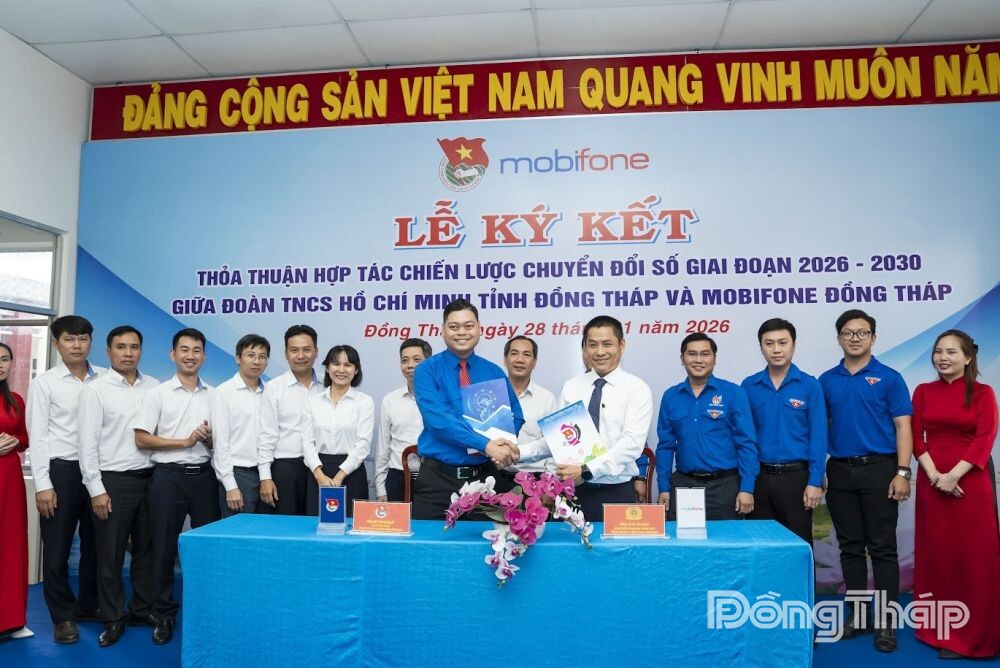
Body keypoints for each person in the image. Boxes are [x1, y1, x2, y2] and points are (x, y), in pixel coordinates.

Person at [819, 309, 912, 653]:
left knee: (883, 548)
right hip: (840, 470)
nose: (855, 338)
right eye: (848, 333)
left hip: (880, 470)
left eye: (862, 332)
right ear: (839, 338)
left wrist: (902, 472)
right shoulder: (826, 380)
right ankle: (858, 617)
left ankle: (886, 622)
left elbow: (904, 427)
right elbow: (819, 429)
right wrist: (818, 470)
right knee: (850, 547)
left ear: (873, 337)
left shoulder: (890, 378)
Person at [911, 330, 999, 659]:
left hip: (970, 483)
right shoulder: (923, 391)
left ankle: (973, 632)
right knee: (937, 553)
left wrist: (953, 476)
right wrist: (935, 475)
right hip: (932, 481)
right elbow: (916, 438)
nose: (943, 357)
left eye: (951, 352)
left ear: (968, 357)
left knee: (973, 556)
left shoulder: (983, 393)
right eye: (938, 351)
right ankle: (937, 627)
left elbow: (985, 438)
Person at [521, 316, 652, 522]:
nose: (599, 352)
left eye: (607, 344)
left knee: (613, 545)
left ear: (621, 345)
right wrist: (518, 452)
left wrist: (586, 470)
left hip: (615, 493)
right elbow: (556, 441)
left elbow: (632, 444)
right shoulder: (571, 387)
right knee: (565, 544)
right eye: (592, 345)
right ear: (584, 348)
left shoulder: (636, 389)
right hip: (571, 492)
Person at [134, 328, 218, 645]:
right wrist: (184, 441)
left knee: (206, 547)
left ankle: (206, 611)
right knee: (164, 548)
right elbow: (142, 439)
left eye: (196, 350)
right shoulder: (158, 393)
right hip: (168, 477)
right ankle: (163, 614)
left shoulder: (215, 395)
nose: (190, 355)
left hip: (205, 477)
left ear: (204, 356)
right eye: (184, 349)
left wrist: (207, 439)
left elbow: (220, 442)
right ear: (173, 354)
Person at [77, 326, 159, 647]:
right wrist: (96, 489)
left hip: (151, 479)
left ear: (141, 351)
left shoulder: (154, 386)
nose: (128, 353)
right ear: (108, 351)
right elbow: (87, 444)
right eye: (121, 347)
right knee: (110, 555)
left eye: (134, 347)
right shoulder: (95, 390)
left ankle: (141, 609)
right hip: (113, 482)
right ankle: (112, 617)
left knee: (146, 551)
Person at [27, 315, 103, 644]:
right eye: (70, 339)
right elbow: (38, 436)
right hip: (62, 471)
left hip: (99, 472)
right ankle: (63, 617)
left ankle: (89, 605)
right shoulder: (45, 383)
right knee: (57, 549)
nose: (77, 345)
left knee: (97, 545)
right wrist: (43, 483)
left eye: (83, 338)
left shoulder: (105, 378)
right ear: (56, 343)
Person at [412, 298, 523, 520]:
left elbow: (516, 416)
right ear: (443, 330)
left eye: (468, 326)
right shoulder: (426, 370)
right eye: (454, 326)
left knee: (485, 541)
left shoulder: (493, 372)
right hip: (438, 481)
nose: (461, 332)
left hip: (485, 481)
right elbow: (438, 421)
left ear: (479, 328)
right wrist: (486, 445)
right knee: (428, 541)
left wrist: (502, 445)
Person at [741, 319, 827, 543]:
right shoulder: (749, 386)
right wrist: (746, 484)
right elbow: (744, 438)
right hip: (759, 478)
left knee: (798, 545)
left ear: (794, 345)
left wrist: (815, 481)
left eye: (783, 342)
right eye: (769, 343)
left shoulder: (809, 385)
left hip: (796, 479)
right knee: (761, 546)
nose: (776, 349)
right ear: (761, 347)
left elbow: (819, 436)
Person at [656, 333, 758, 520]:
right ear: (682, 359)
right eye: (692, 354)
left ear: (714, 358)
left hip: (725, 487)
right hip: (684, 485)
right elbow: (665, 446)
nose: (698, 360)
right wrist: (663, 487)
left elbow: (746, 443)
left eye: (705, 354)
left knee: (728, 539)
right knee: (684, 539)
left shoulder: (734, 393)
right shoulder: (671, 396)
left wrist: (747, 488)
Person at [258, 325, 323, 515]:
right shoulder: (274, 388)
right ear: (286, 353)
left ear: (316, 352)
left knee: (319, 523)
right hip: (287, 469)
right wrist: (265, 477)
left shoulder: (328, 385)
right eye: (294, 350)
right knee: (288, 525)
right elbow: (266, 435)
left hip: (321, 468)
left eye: (306, 349)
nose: (300, 355)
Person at [302, 345, 374, 516]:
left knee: (352, 525)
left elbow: (363, 445)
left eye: (348, 365)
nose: (341, 370)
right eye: (336, 364)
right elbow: (307, 442)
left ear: (356, 370)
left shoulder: (364, 402)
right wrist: (319, 475)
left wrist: (340, 476)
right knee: (316, 524)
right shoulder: (313, 401)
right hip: (318, 472)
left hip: (352, 472)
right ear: (327, 368)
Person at [212, 334, 269, 517]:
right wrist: (230, 485)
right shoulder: (223, 392)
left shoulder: (271, 392)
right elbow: (220, 442)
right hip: (238, 475)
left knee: (266, 531)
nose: (256, 361)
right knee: (238, 532)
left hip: (268, 475)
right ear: (238, 358)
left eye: (262, 356)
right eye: (250, 355)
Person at [0, 342, 32, 641]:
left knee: (11, 544)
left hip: (10, 476)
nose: (0, 364)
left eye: (5, 359)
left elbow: (24, 436)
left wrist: (15, 442)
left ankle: (12, 620)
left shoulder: (16, 399)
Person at [374, 338, 430, 502]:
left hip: (432, 476)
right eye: (404, 360)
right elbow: (383, 448)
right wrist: (380, 488)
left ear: (429, 363)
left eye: (417, 359)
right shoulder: (390, 400)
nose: (410, 365)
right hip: (397, 477)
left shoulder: (441, 398)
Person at [503, 336, 556, 478]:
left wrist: (548, 480)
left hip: (535, 478)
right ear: (505, 359)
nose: (520, 360)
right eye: (514, 353)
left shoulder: (547, 398)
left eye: (526, 354)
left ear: (534, 362)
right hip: (496, 476)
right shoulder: (491, 395)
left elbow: (553, 443)